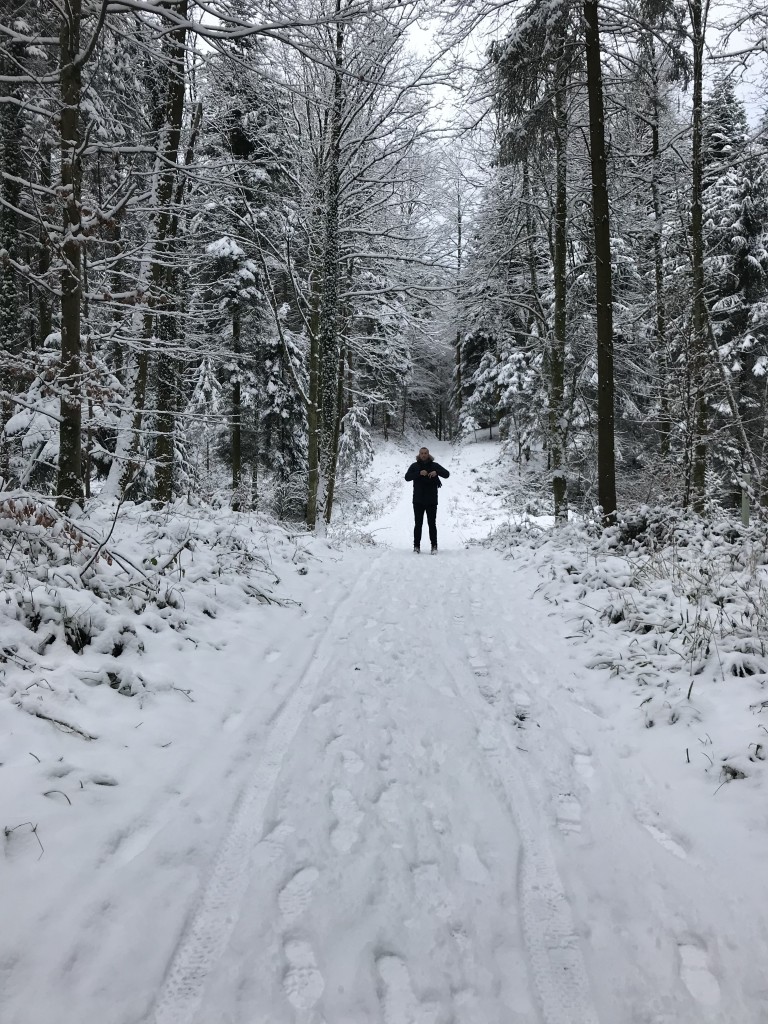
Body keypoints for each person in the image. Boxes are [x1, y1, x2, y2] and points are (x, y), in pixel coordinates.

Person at [404, 446, 450, 553]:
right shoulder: (414, 466)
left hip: (431, 500)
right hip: (418, 500)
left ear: (428, 454)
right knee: (418, 524)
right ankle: (416, 547)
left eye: (425, 453)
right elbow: (407, 477)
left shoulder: (434, 465)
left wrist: (436, 472)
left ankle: (434, 546)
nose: (424, 455)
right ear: (419, 455)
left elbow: (447, 474)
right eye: (422, 453)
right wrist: (419, 473)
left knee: (432, 524)